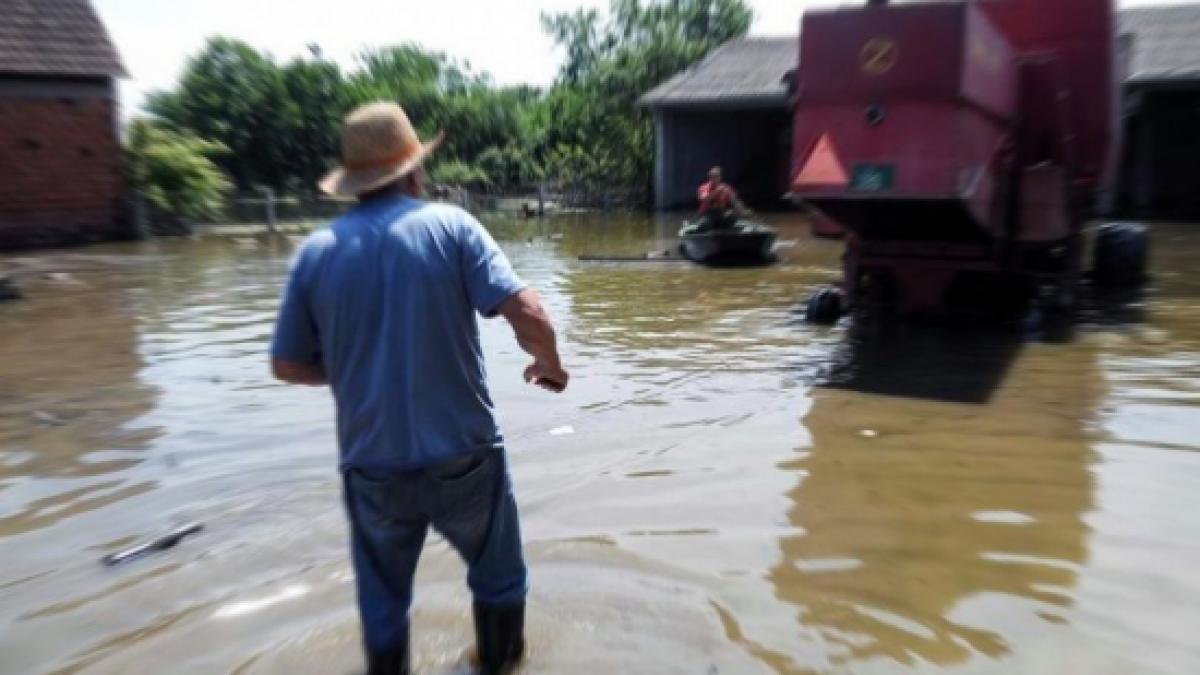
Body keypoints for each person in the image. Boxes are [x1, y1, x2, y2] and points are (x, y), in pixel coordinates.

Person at [270, 102, 568, 675]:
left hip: (373, 466)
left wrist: (358, 368)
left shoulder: (316, 252)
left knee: (383, 603)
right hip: (465, 459)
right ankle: (501, 664)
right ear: (413, 171)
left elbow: (286, 364)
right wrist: (549, 363)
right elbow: (529, 310)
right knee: (498, 578)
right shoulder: (452, 227)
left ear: (356, 181)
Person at [696, 166, 745, 230]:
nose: (714, 178)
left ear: (720, 177)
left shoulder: (726, 188)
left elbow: (734, 200)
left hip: (721, 213)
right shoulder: (704, 188)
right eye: (712, 176)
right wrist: (717, 191)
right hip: (708, 214)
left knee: (732, 215)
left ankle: (725, 229)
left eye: (716, 176)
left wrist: (738, 207)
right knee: (705, 224)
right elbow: (704, 199)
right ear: (709, 177)